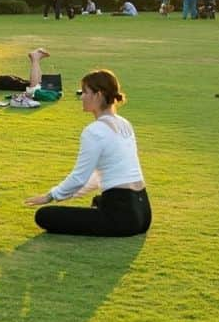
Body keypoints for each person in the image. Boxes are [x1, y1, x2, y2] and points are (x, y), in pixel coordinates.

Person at [25, 69, 152, 237]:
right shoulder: (124, 124)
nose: (81, 97)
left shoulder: (94, 131)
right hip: (143, 213)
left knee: (44, 215)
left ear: (98, 95)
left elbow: (79, 177)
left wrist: (50, 196)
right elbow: (99, 176)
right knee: (98, 201)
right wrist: (69, 194)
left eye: (85, 92)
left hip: (122, 216)